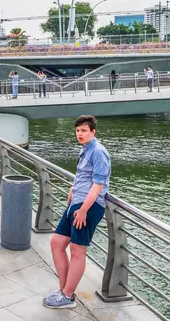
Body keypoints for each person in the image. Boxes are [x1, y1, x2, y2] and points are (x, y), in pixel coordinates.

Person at [44, 115, 111, 309]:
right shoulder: (86, 150)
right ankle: (64, 290)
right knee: (57, 242)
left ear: (93, 132)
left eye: (83, 130)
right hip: (77, 203)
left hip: (88, 207)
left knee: (77, 250)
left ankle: (67, 296)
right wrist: (74, 188)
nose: (79, 134)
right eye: (77, 130)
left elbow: (98, 184)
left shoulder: (98, 152)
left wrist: (83, 210)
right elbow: (84, 175)